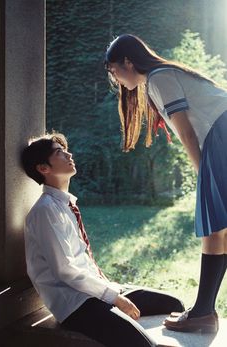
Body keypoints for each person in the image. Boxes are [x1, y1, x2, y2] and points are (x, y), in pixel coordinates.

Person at [104, 34, 227, 333]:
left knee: (215, 225)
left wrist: (201, 171)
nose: (115, 78)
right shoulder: (160, 78)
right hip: (220, 134)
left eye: (113, 70)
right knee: (217, 225)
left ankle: (202, 312)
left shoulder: (158, 78)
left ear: (128, 62)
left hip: (221, 135)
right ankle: (203, 311)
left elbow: (185, 132)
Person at [20, 133, 184, 347]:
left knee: (174, 304)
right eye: (60, 153)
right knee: (143, 344)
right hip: (76, 305)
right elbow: (65, 270)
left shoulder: (64, 205)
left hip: (96, 290)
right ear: (44, 168)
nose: (69, 154)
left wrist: (111, 291)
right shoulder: (45, 211)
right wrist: (115, 298)